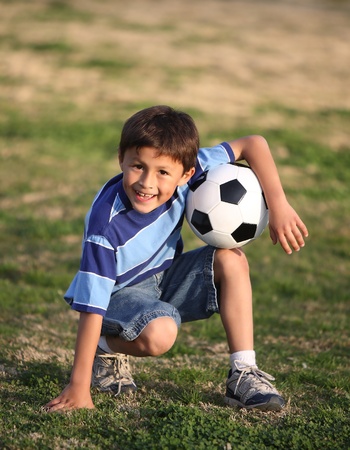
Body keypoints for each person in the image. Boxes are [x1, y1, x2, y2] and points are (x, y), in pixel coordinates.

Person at [44, 105, 308, 413]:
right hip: (116, 299)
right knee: (161, 332)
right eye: (137, 166)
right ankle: (105, 349)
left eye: (162, 173)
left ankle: (243, 373)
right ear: (121, 159)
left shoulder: (186, 168)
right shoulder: (105, 227)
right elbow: (91, 307)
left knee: (231, 259)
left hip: (163, 276)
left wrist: (278, 204)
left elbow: (253, 144)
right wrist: (78, 385)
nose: (147, 183)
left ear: (187, 174)